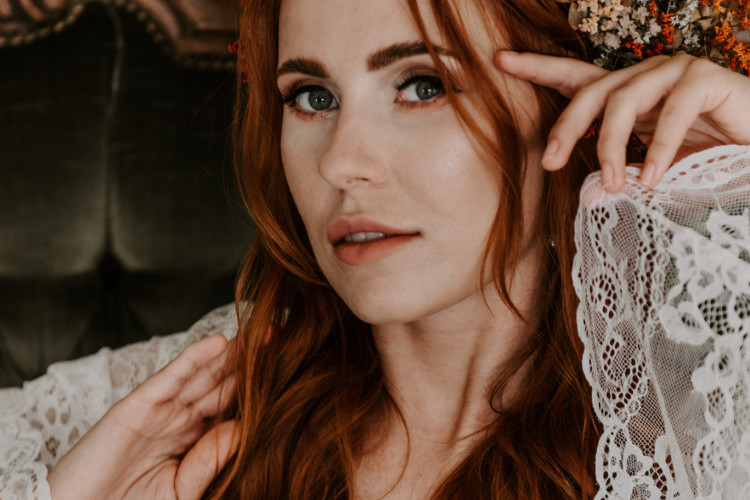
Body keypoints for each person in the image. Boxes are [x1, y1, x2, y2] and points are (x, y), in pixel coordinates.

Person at [2, 0, 750, 498]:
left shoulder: (707, 418)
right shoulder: (191, 400)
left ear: (576, 102)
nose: (340, 164)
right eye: (312, 97)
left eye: (422, 86)